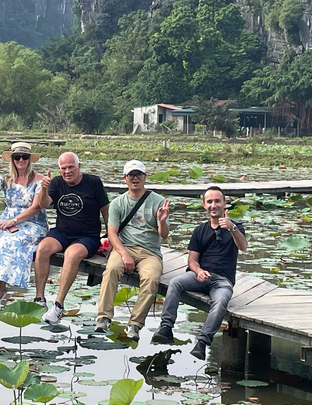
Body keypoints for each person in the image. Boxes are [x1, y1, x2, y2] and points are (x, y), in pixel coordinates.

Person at [151, 186, 248, 360]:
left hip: (222, 280)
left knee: (220, 301)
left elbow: (243, 246)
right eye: (209, 202)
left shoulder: (236, 227)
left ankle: (202, 342)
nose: (213, 205)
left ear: (224, 204)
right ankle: (166, 328)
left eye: (217, 201)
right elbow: (192, 260)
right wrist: (198, 271)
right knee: (175, 283)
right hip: (200, 276)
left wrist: (232, 228)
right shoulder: (200, 230)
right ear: (204, 205)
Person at [95, 160, 171, 341]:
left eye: (138, 175)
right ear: (125, 178)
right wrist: (123, 253)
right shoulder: (118, 203)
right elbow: (112, 233)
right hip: (124, 247)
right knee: (111, 270)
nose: (135, 178)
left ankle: (135, 324)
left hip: (149, 252)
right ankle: (103, 317)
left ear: (145, 177)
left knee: (151, 278)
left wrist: (161, 220)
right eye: (131, 175)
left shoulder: (158, 201)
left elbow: (164, 235)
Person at [34, 151, 109, 325]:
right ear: (59, 170)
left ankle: (58, 305)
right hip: (62, 232)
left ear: (78, 167)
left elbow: (106, 210)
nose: (67, 171)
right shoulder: (57, 183)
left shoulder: (93, 183)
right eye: (63, 168)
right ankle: (39, 298)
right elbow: (43, 204)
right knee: (43, 248)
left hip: (87, 236)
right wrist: (44, 188)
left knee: (72, 254)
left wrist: (111, 237)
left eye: (70, 167)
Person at [0, 142, 48, 316]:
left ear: (30, 159)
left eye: (25, 157)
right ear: (12, 159)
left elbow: (36, 207)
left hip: (31, 222)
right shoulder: (7, 179)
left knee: (15, 240)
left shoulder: (39, 180)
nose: (21, 160)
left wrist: (14, 221)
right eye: (17, 157)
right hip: (7, 219)